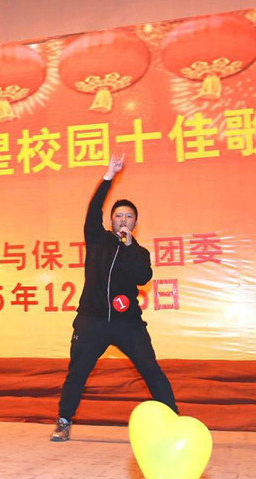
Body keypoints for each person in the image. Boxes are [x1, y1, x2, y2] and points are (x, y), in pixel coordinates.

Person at [51, 154, 177, 442]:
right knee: (77, 372)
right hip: (92, 321)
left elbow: (142, 277)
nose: (123, 219)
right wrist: (109, 175)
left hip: (127, 323)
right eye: (118, 215)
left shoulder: (139, 252)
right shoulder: (97, 239)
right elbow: (93, 208)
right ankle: (64, 420)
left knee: (151, 369)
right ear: (111, 220)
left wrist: (129, 246)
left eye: (128, 216)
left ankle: (173, 422)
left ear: (135, 223)